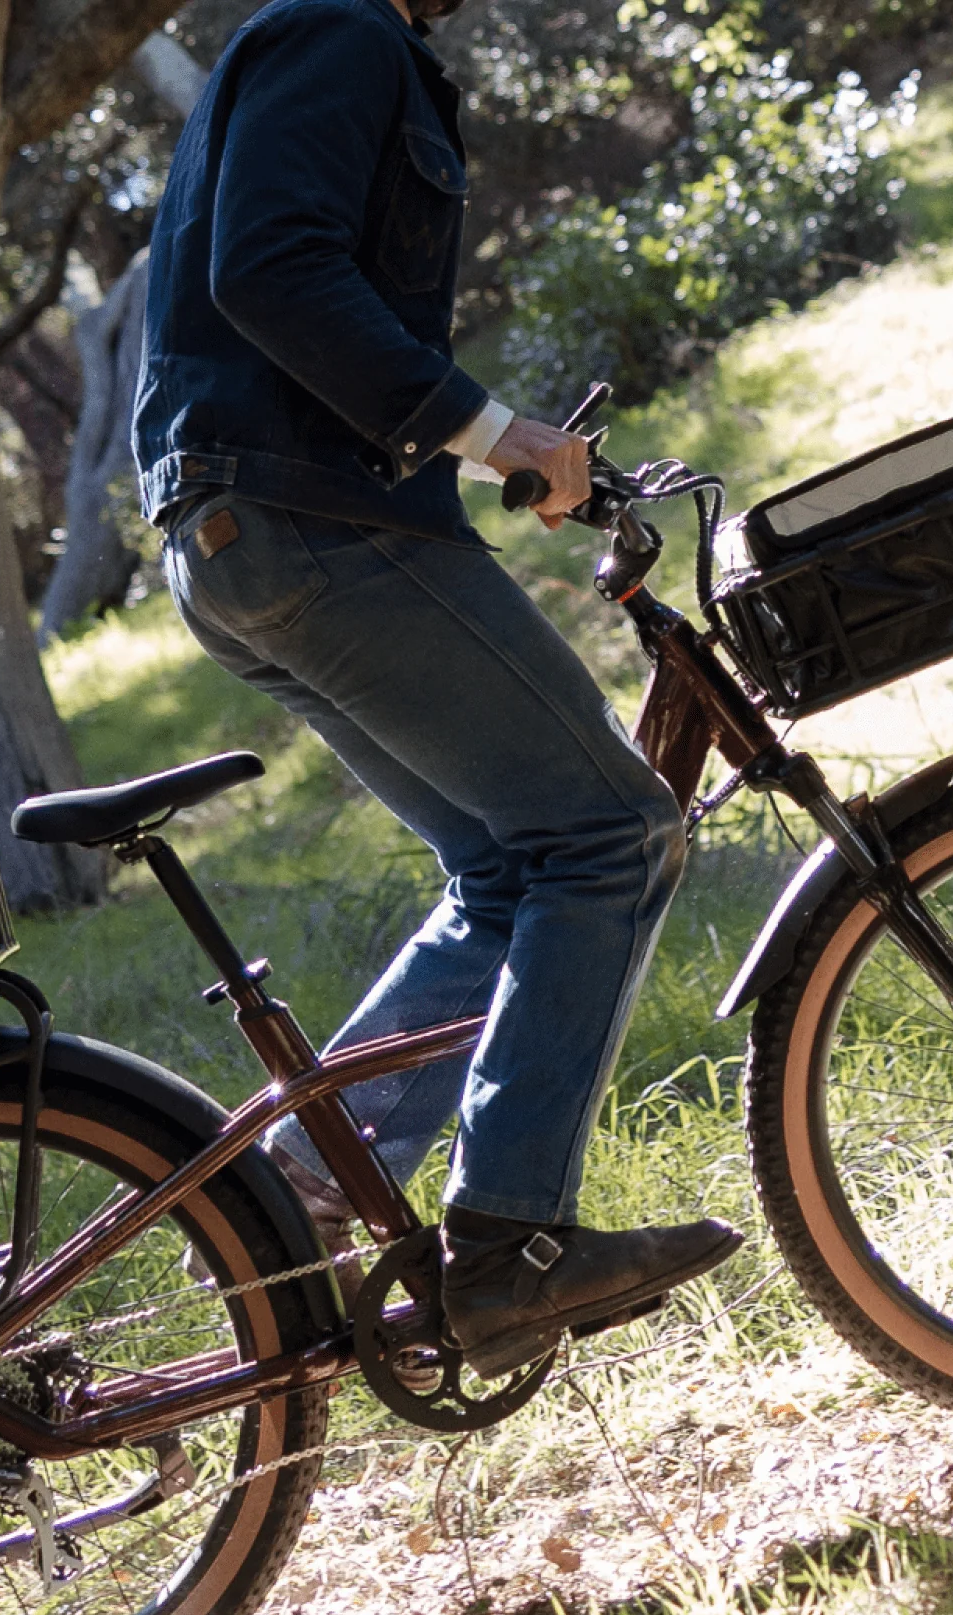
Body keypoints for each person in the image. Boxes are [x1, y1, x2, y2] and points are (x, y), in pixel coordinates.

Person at [132, 0, 740, 1373]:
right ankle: (512, 1243)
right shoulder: (341, 32)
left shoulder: (320, 40)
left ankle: (293, 1199)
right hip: (306, 528)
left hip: (248, 534)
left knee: (511, 872)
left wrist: (486, 451)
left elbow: (281, 288)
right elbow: (271, 272)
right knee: (613, 831)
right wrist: (481, 427)